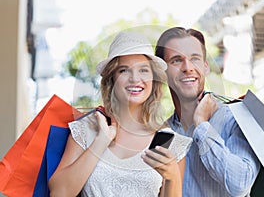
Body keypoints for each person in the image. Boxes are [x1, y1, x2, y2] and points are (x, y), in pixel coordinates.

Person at [49, 31, 192, 197]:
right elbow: (59, 193)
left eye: (144, 70)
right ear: (111, 80)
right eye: (124, 70)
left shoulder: (167, 141)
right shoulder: (87, 130)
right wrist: (101, 141)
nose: (135, 79)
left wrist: (172, 176)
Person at [155, 27, 260, 197]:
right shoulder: (163, 134)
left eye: (194, 59)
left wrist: (202, 125)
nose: (188, 67)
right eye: (176, 60)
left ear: (206, 67)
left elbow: (240, 185)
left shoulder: (236, 119)